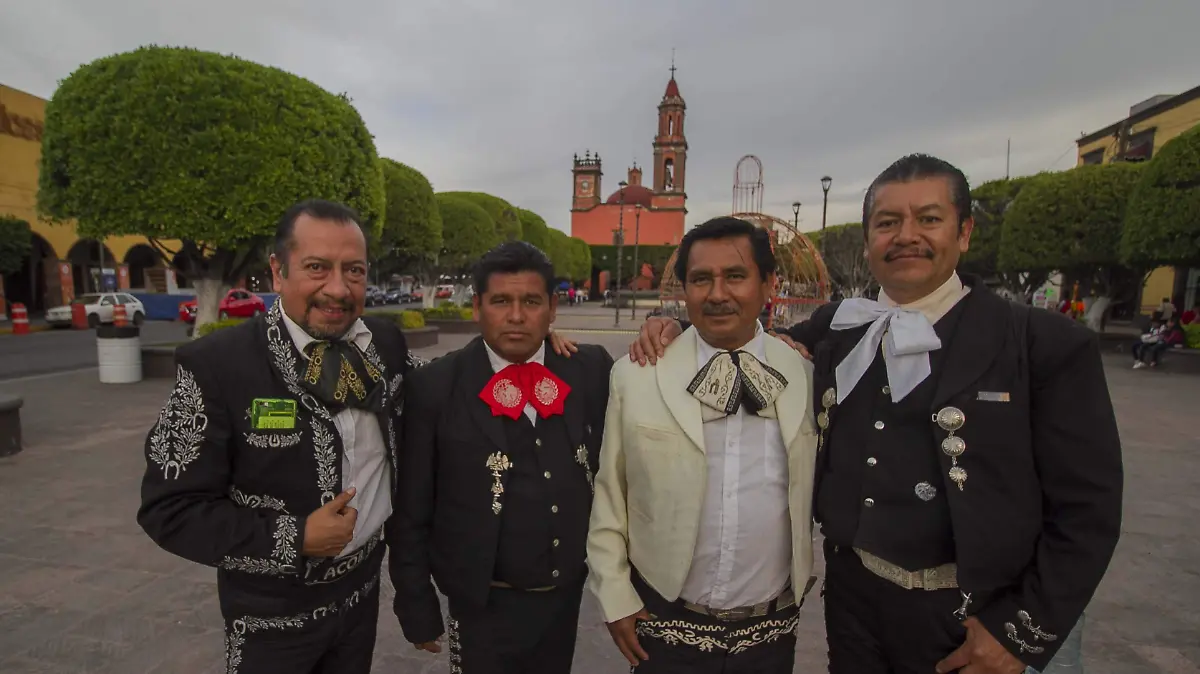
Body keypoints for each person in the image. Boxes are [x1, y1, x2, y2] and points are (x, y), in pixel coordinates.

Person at [629, 155, 1124, 674]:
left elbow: (1087, 512)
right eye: (888, 223)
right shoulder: (835, 329)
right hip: (856, 610)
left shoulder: (1043, 345)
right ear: (869, 240)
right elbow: (739, 342)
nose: (906, 236)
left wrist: (1018, 632)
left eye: (928, 219)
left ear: (965, 232)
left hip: (976, 620)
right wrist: (669, 329)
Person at [137, 199, 421, 673]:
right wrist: (296, 537)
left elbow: (445, 390)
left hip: (362, 597)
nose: (338, 288)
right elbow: (168, 508)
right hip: (269, 618)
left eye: (354, 271)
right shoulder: (217, 367)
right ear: (277, 272)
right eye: (316, 267)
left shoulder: (385, 345)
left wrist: (538, 349)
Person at [587, 216, 820, 673]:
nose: (717, 294)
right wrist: (614, 596)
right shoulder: (636, 375)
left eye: (735, 276)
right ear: (684, 289)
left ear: (769, 283)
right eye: (700, 279)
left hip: (771, 631)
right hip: (664, 625)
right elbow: (610, 494)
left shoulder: (805, 374)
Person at [388, 241, 614, 673]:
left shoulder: (589, 369)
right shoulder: (436, 386)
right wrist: (415, 603)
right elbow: (411, 510)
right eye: (500, 301)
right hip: (480, 606)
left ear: (553, 308)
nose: (515, 316)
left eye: (531, 302)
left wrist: (668, 328)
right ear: (476, 307)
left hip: (565, 598)